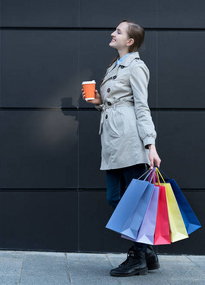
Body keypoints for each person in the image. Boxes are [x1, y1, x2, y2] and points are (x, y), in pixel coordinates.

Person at [82, 20, 162, 277]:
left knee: (134, 200)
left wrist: (150, 144)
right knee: (115, 198)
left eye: (118, 31)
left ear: (130, 41)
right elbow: (113, 102)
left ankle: (138, 256)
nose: (112, 33)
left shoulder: (136, 67)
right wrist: (97, 101)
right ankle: (146, 250)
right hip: (113, 139)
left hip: (129, 138)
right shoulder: (114, 66)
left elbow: (141, 106)